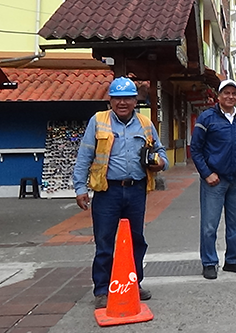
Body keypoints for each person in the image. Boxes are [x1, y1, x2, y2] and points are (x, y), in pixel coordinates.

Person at [72, 76, 168, 309]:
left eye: (127, 98)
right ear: (110, 101)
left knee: (136, 240)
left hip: (136, 191)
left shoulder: (145, 124)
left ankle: (133, 283)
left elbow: (160, 151)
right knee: (104, 241)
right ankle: (103, 290)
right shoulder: (98, 121)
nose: (122, 103)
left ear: (135, 101)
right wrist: (80, 187)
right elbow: (85, 155)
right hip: (107, 192)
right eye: (117, 98)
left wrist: (160, 163)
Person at [190, 79, 236, 280]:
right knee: (210, 224)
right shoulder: (207, 118)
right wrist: (207, 173)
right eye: (226, 93)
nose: (230, 97)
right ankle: (209, 262)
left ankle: (233, 260)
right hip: (214, 181)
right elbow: (196, 149)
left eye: (234, 93)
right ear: (218, 96)